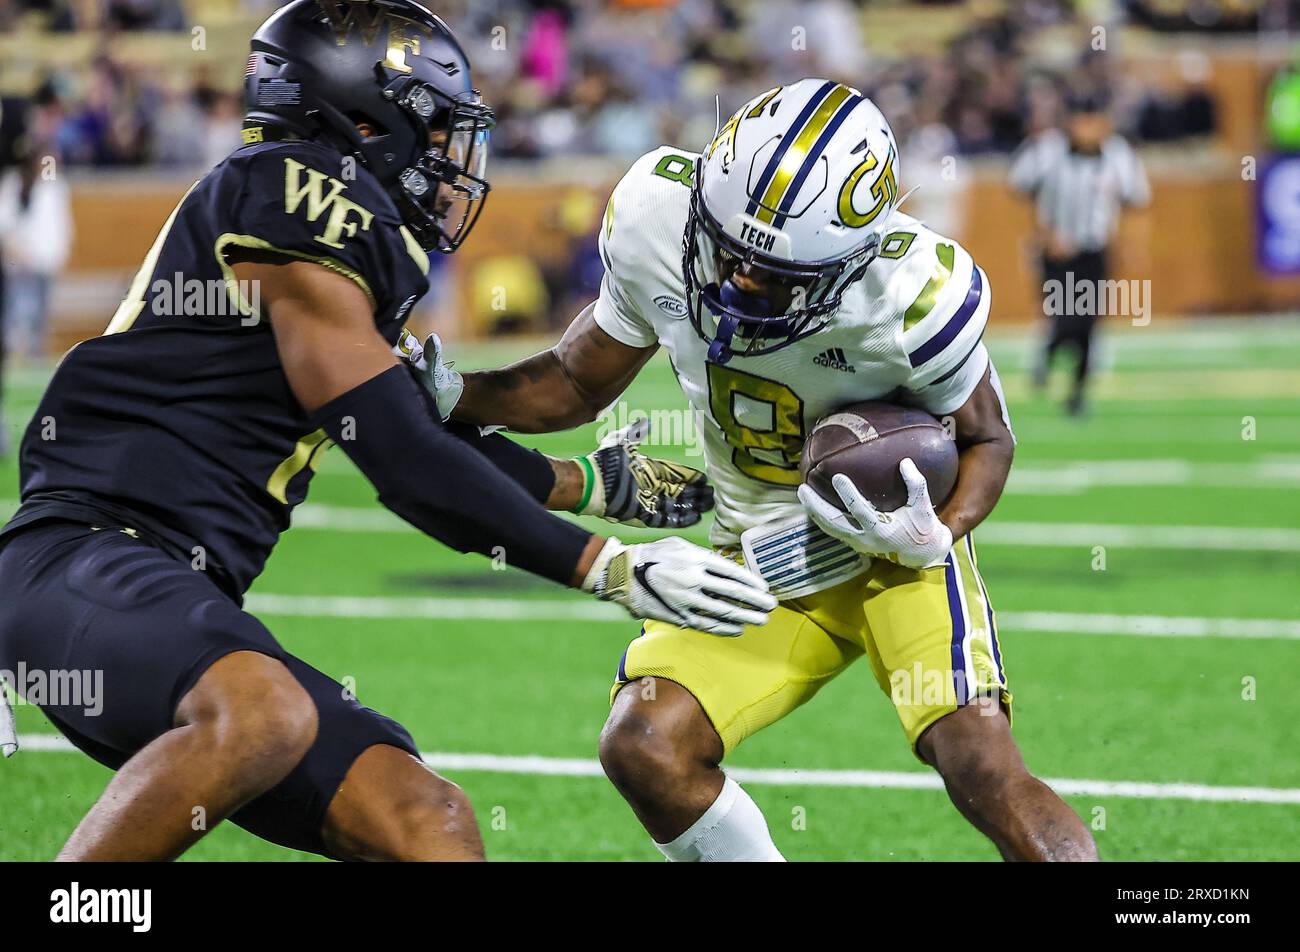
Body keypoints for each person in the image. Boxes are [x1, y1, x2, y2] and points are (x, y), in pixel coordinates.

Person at [0, 0, 773, 862]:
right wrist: (604, 566)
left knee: (424, 821)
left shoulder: (330, 229)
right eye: (437, 131)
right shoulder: (294, 194)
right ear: (365, 119)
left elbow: (417, 426)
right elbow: (403, 462)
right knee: (263, 713)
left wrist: (591, 484)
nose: (451, 161)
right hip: (81, 558)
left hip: (171, 596)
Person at [420, 79, 1099, 861]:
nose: (740, 280)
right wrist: (453, 395)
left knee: (977, 758)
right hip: (760, 555)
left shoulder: (912, 296)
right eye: (730, 250)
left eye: (776, 273)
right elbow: (574, 382)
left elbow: (990, 440)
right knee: (644, 743)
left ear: (855, 258)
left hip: (892, 556)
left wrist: (935, 535)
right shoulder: (656, 218)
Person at [1011, 89, 1151, 416]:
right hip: (1056, 251)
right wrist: (1045, 236)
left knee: (1086, 322)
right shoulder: (1046, 151)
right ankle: (1050, 355)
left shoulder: (1119, 155)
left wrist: (1128, 246)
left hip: (1094, 250)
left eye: (1094, 120)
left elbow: (1137, 202)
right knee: (1064, 314)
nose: (1088, 128)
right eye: (1082, 120)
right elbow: (1019, 190)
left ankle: (1076, 392)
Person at [0, 140, 74, 362]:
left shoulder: (55, 187)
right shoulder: (15, 184)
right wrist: (18, 252)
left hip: (46, 263)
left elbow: (60, 225)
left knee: (41, 315)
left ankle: (35, 357)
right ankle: (13, 357)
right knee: (20, 313)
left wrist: (60, 253)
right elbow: (6, 224)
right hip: (22, 263)